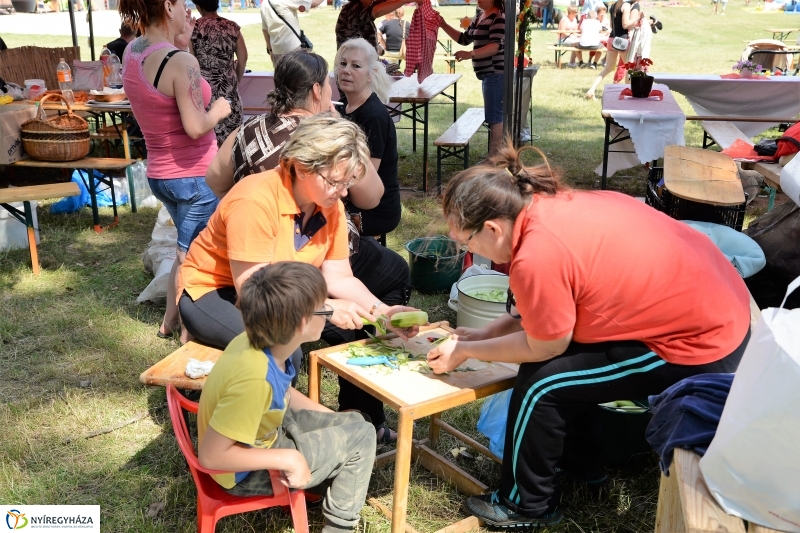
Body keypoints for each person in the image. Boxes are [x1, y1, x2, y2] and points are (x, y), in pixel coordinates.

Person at [427, 143, 752, 528]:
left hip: (699, 340)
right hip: (715, 306)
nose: (470, 250)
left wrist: (466, 351)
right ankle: (582, 468)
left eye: (467, 242)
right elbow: (552, 306)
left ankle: (525, 504)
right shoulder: (549, 205)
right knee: (559, 372)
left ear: (493, 228)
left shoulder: (537, 254)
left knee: (543, 385)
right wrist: (486, 333)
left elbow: (545, 343)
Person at [179, 116, 420, 425]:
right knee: (281, 345)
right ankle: (283, 436)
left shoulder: (329, 203)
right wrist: (325, 307)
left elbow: (340, 276)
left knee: (359, 323)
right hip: (214, 292)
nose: (343, 193)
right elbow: (253, 290)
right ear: (302, 165)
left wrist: (381, 312)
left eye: (348, 183)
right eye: (336, 182)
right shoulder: (254, 199)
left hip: (275, 292)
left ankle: (361, 419)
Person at [197, 261, 376, 533]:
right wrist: (287, 459)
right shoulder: (254, 379)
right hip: (243, 473)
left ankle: (324, 480)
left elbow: (284, 393)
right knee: (363, 436)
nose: (329, 311)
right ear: (303, 322)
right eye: (324, 306)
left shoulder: (261, 343)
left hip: (266, 435)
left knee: (357, 422)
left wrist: (334, 419)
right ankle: (339, 528)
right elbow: (210, 456)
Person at [119, 0, 232, 341]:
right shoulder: (180, 62)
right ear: (168, 6)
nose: (189, 11)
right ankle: (190, 329)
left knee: (184, 251)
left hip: (161, 173)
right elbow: (196, 126)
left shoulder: (133, 51)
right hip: (195, 175)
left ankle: (169, 321)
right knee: (192, 257)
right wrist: (219, 110)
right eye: (184, 4)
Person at [439, 0, 506, 156]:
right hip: (487, 75)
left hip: (496, 72)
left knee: (495, 118)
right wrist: (443, 24)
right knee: (493, 116)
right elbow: (464, 39)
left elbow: (495, 46)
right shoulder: (480, 16)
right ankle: (494, 158)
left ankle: (494, 160)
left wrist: (470, 54)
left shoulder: (498, 17)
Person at [189, 0, 247, 146]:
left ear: (198, 6)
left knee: (210, 140)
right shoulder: (232, 27)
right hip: (228, 90)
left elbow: (191, 60)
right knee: (233, 139)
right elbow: (243, 57)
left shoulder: (194, 28)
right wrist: (236, 78)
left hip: (205, 92)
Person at [585, 0, 642, 99]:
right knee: (630, 69)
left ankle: (592, 89)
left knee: (608, 68)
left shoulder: (613, 6)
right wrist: (637, 18)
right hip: (622, 40)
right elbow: (625, 25)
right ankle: (628, 94)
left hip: (612, 39)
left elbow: (611, 26)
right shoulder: (626, 5)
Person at [335, 0, 418, 51]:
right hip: (353, 68)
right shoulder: (353, 9)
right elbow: (376, 11)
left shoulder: (362, 5)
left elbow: (383, 2)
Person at [261, 0, 324, 66]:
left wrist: (270, 50)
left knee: (281, 75)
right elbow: (313, 3)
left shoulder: (265, 3)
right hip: (293, 48)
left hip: (276, 50)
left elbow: (265, 30)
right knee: (298, 74)